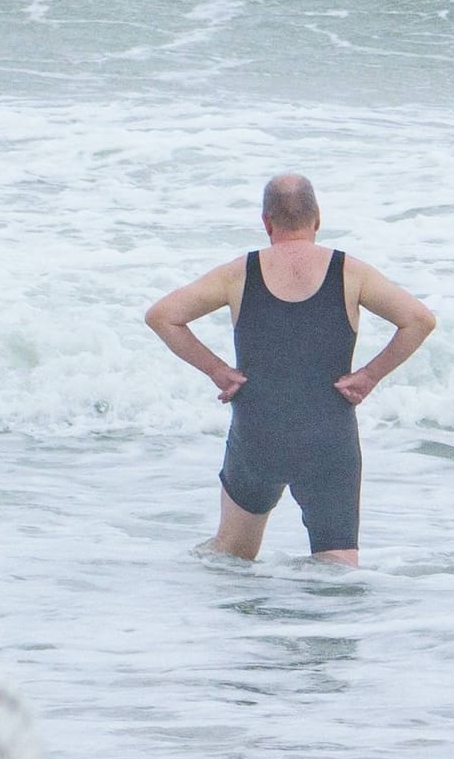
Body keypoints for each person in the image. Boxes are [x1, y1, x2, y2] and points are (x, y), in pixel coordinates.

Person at [145, 174, 437, 567]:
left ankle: (218, 621)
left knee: (232, 555)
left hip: (258, 432)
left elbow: (162, 316)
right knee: (337, 567)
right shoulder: (350, 272)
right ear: (317, 219)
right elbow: (419, 320)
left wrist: (216, 370)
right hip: (328, 437)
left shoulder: (239, 273)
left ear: (267, 223)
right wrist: (369, 376)